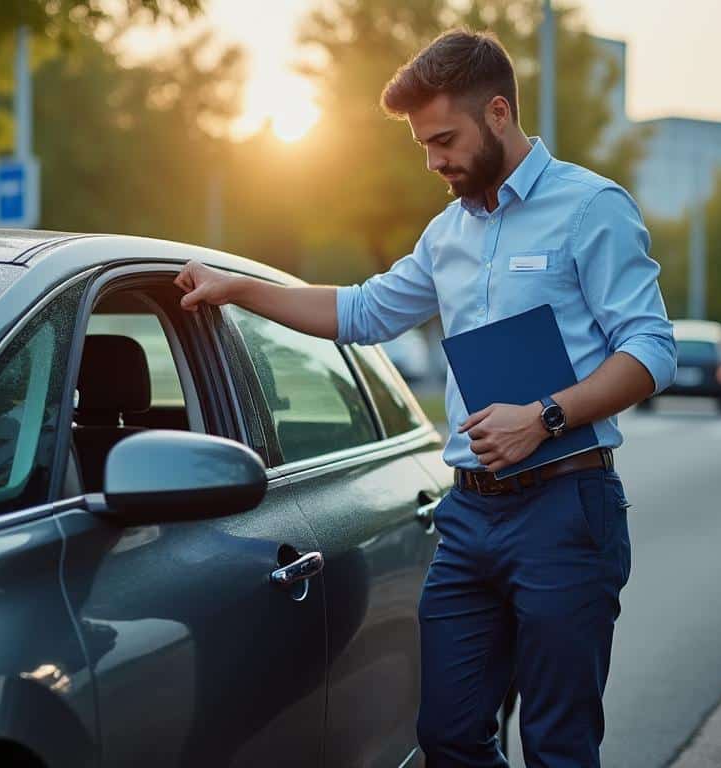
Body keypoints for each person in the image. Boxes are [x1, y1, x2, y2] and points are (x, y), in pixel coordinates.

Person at [174, 28, 675, 768]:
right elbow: (361, 311)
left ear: (498, 113)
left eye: (444, 140)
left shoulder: (590, 207)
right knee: (446, 735)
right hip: (471, 512)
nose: (434, 161)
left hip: (567, 510)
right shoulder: (448, 235)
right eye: (423, 146)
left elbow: (651, 352)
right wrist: (241, 290)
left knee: (559, 746)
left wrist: (543, 419)